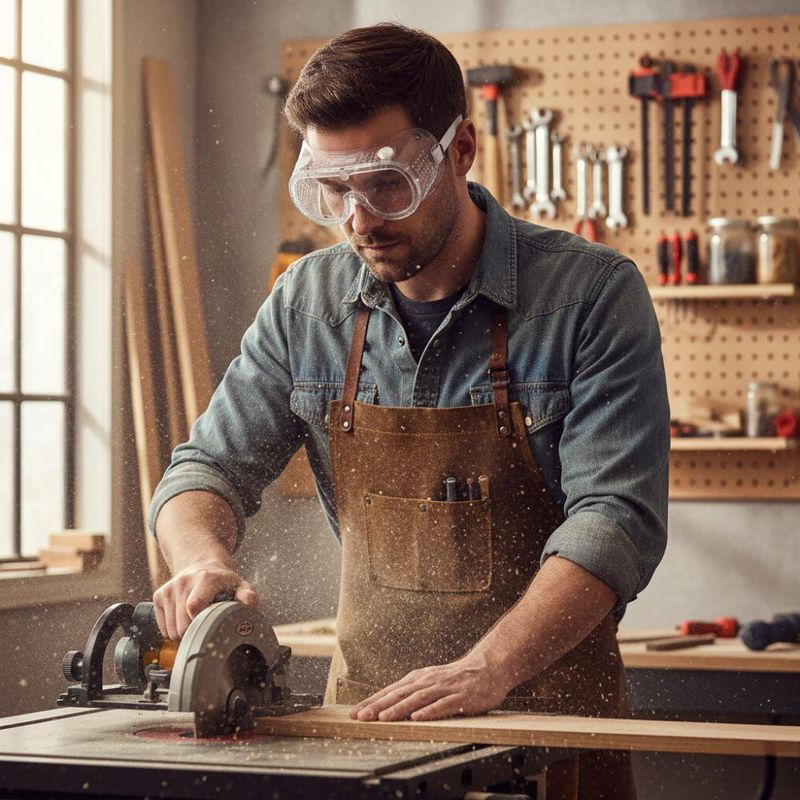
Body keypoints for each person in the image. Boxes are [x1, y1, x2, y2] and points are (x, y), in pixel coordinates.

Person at [149, 22, 668, 798]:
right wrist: (201, 561)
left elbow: (616, 521)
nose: (358, 219)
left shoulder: (590, 296)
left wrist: (488, 669)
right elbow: (205, 469)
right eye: (334, 188)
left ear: (460, 151)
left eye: (387, 184)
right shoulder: (307, 301)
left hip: (550, 728)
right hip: (367, 731)